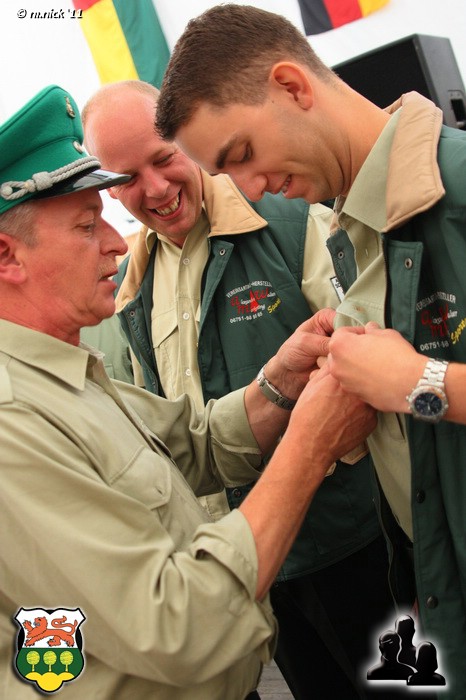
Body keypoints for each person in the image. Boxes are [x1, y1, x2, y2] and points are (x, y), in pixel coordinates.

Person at [0, 85, 377, 700]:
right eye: (87, 226)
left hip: (327, 555)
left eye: (163, 157)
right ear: (6, 257)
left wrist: (279, 382)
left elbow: (192, 443)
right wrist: (309, 442)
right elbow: (176, 626)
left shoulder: (61, 372)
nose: (116, 242)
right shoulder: (14, 417)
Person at [155, 4, 466, 697]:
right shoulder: (347, 227)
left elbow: (420, 387)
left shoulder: (458, 190)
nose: (251, 188)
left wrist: (417, 381)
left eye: (241, 155)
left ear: (293, 86)